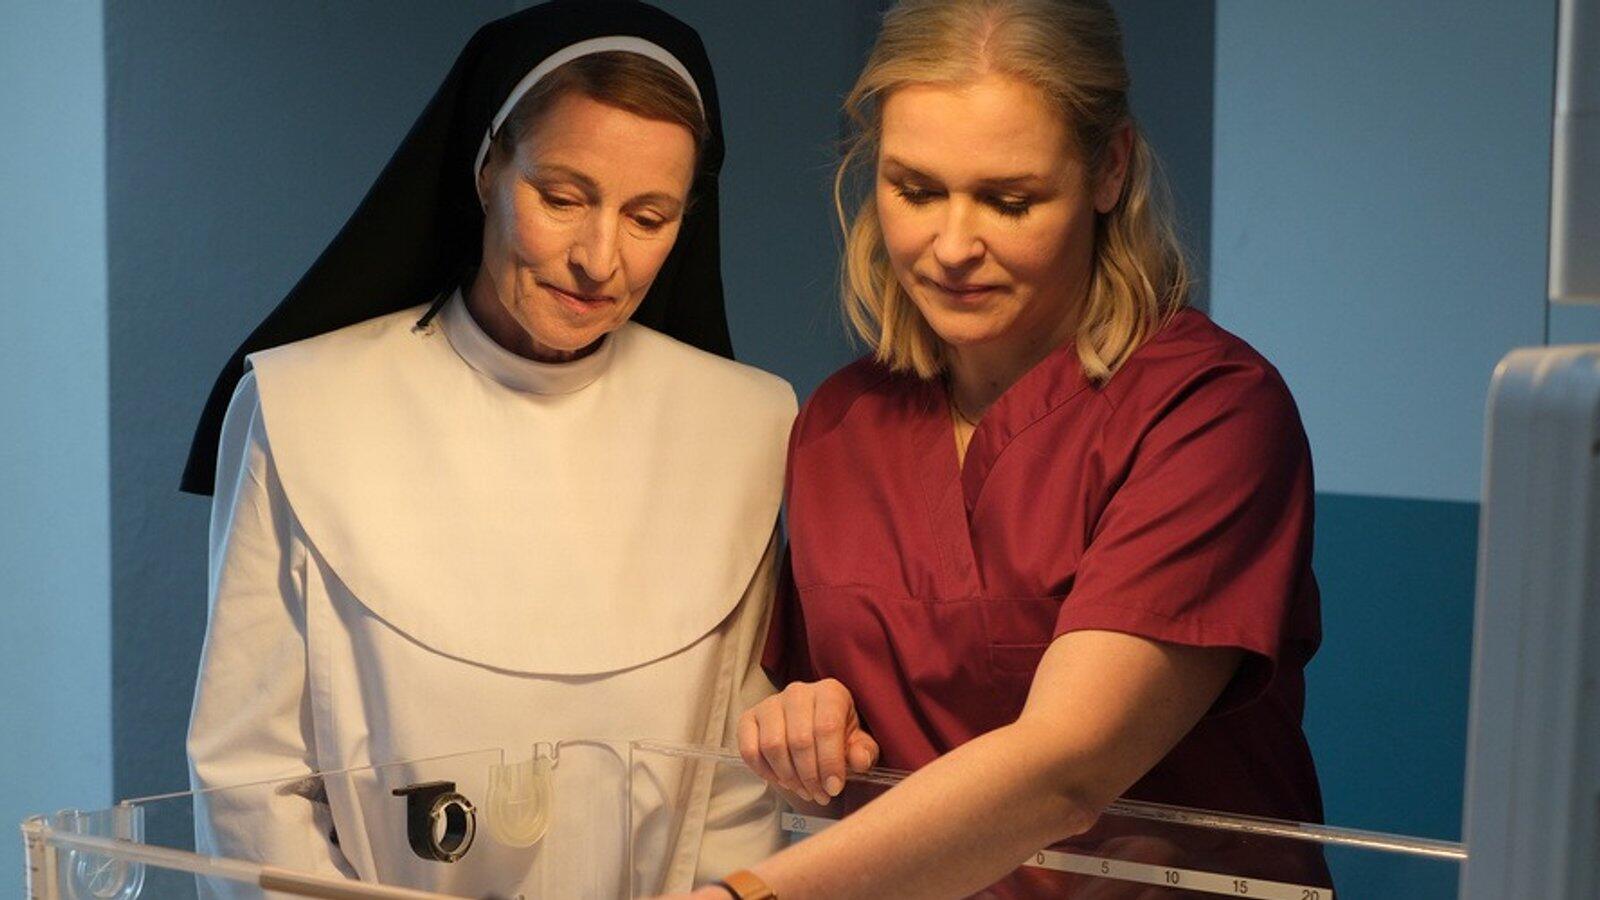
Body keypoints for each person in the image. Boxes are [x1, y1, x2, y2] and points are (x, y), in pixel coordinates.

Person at [686, 2, 1325, 898]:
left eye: (1009, 201)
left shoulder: (1208, 415)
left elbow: (1065, 770)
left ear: (1110, 169)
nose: (952, 247)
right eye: (916, 191)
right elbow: (844, 712)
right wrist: (806, 723)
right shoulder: (841, 427)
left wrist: (748, 895)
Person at [182, 3, 793, 897]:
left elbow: (737, 787)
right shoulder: (300, 403)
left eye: (648, 217)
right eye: (562, 199)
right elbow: (252, 780)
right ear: (486, 170)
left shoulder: (745, 426)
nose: (599, 260)